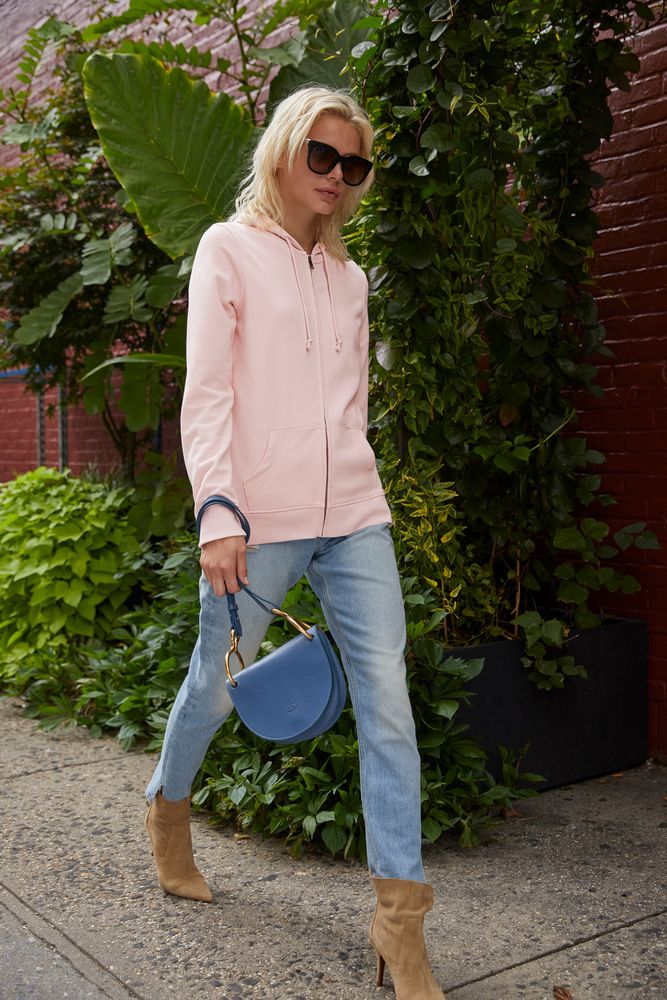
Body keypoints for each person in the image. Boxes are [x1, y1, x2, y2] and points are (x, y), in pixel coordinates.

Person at [144, 85, 446, 1000]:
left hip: (353, 514)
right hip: (257, 518)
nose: (337, 176)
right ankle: (168, 808)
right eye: (323, 155)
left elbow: (349, 407)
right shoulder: (228, 249)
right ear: (282, 151)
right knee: (214, 685)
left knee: (388, 701)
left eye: (353, 164)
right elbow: (208, 393)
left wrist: (355, 476)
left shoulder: (350, 280)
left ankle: (400, 926)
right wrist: (218, 511)